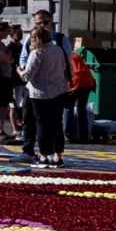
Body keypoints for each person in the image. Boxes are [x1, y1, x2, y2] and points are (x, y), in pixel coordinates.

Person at [19, 12, 71, 168]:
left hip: (40, 93)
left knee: (42, 124)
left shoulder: (37, 53)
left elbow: (27, 75)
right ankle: (57, 157)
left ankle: (43, 156)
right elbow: (65, 66)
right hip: (58, 90)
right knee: (56, 124)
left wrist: (19, 72)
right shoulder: (58, 50)